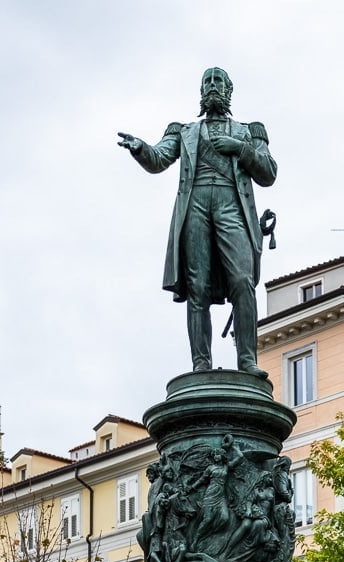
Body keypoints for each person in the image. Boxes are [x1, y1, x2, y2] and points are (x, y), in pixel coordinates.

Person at [118, 67, 276, 376]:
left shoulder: (249, 131)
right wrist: (140, 148)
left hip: (232, 206)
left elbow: (268, 172)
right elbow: (159, 158)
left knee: (242, 280)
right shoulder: (184, 131)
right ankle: (201, 363)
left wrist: (241, 149)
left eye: (218, 81)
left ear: (229, 89)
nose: (213, 85)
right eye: (208, 81)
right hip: (196, 206)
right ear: (201, 90)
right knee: (197, 286)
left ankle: (247, 360)